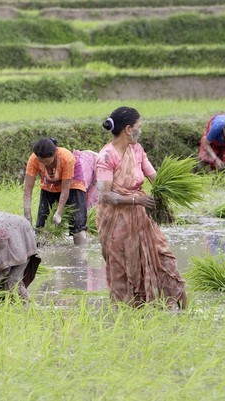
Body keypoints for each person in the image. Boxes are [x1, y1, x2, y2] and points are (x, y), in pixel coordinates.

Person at [97, 106, 187, 309]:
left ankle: (180, 312)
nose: (141, 130)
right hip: (116, 223)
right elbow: (104, 195)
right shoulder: (106, 157)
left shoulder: (137, 150)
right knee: (124, 270)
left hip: (142, 219)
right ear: (129, 129)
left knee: (165, 260)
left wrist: (169, 190)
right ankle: (128, 315)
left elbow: (155, 177)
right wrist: (136, 201)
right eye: (139, 126)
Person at [23, 138, 87, 246]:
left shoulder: (66, 158)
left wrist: (58, 213)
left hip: (72, 185)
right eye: (41, 161)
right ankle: (40, 251)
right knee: (42, 225)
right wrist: (27, 216)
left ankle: (80, 252)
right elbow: (28, 189)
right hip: (49, 185)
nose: (44, 164)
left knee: (77, 224)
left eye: (47, 161)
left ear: (55, 153)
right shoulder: (34, 159)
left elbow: (65, 190)